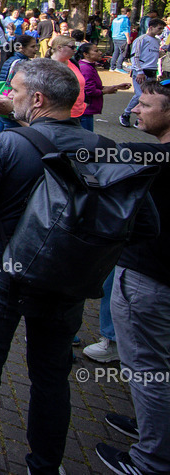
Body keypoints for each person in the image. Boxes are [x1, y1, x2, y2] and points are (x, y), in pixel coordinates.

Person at [0, 59, 113, 475]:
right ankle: (46, 464)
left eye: (15, 90)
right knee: (52, 373)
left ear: (37, 99)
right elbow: (137, 223)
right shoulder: (105, 148)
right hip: (66, 274)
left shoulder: (10, 145)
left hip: (2, 268)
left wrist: (0, 228)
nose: (8, 96)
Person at [95, 78, 170, 475]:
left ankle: (150, 461)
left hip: (148, 279)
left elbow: (90, 152)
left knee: (147, 368)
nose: (135, 110)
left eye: (145, 104)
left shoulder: (155, 159)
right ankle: (153, 430)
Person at [121, 19, 165, 128]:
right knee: (140, 95)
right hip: (141, 71)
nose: (161, 31)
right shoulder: (141, 39)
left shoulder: (157, 41)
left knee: (148, 95)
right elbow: (135, 56)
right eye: (159, 28)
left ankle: (140, 118)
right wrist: (139, 71)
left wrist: (160, 54)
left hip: (152, 71)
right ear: (151, 27)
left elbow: (152, 55)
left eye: (162, 29)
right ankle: (126, 114)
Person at [76, 42, 130, 132]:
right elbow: (89, 91)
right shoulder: (86, 68)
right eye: (96, 51)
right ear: (86, 54)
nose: (100, 53)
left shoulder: (88, 66)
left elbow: (94, 86)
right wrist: (105, 91)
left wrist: (116, 87)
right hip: (85, 111)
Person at [0, 35, 38, 133]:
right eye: (32, 46)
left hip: (2, 98)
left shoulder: (11, 59)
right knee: (10, 129)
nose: (36, 49)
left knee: (1, 126)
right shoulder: (22, 63)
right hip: (11, 102)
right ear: (21, 48)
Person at [110, 8, 132, 73]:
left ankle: (112, 67)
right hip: (122, 38)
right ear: (127, 13)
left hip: (115, 37)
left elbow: (112, 28)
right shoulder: (125, 19)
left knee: (116, 52)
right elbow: (125, 29)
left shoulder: (115, 19)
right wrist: (128, 38)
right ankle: (119, 67)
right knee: (123, 52)